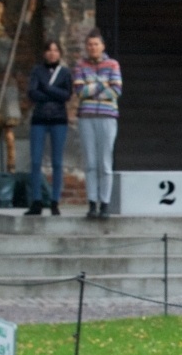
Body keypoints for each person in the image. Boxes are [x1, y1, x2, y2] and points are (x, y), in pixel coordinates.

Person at [72, 30, 122, 219]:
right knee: (91, 162)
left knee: (105, 162)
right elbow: (79, 91)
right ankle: (92, 203)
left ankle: (105, 204)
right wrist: (102, 84)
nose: (93, 48)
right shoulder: (80, 65)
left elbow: (116, 90)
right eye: (90, 44)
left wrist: (92, 88)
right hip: (86, 117)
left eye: (96, 44)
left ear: (102, 46)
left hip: (107, 117)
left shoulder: (113, 64)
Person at [25, 40, 72, 216]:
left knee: (57, 162)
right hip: (39, 119)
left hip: (59, 119)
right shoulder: (37, 71)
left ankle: (55, 201)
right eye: (49, 50)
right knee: (36, 161)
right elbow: (33, 92)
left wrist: (47, 88)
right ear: (45, 53)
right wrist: (53, 92)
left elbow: (66, 95)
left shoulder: (65, 73)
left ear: (59, 53)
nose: (52, 53)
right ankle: (36, 200)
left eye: (55, 50)